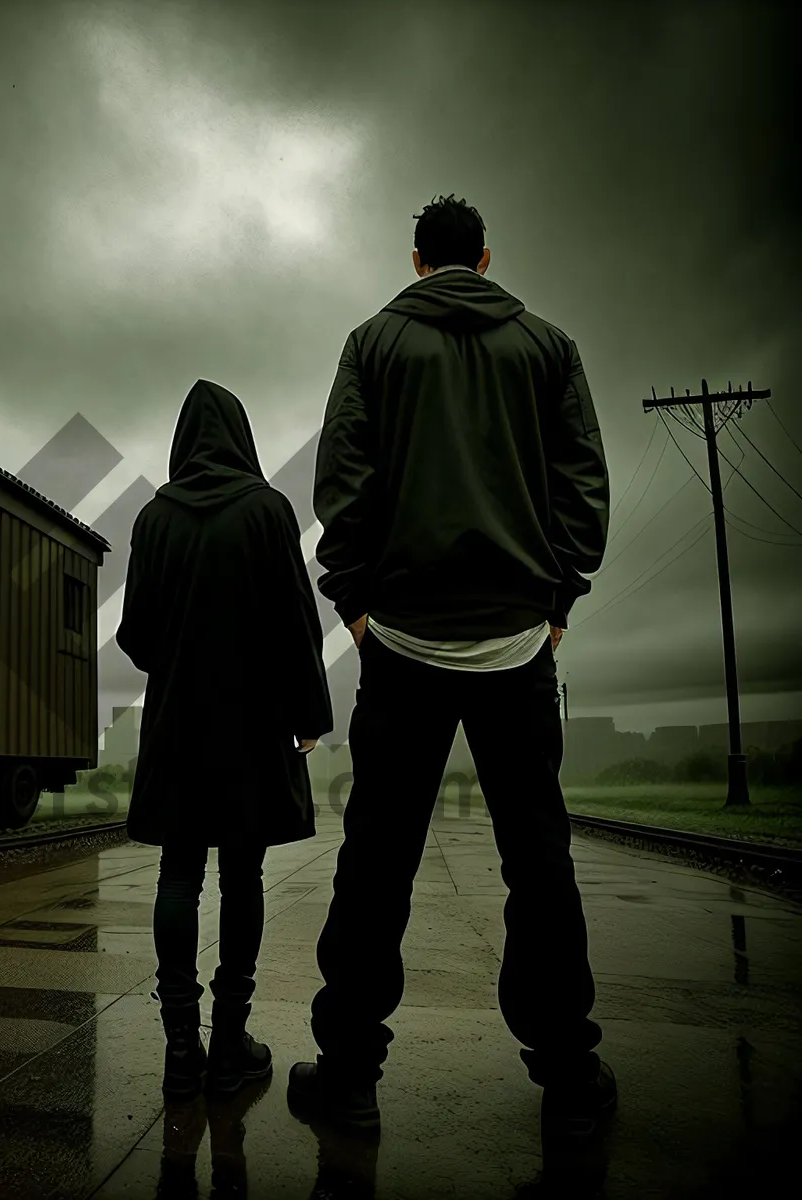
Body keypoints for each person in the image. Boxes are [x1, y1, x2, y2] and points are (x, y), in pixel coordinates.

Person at [288, 195, 615, 1138]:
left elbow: (342, 481)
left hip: (402, 642)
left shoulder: (371, 343)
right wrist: (558, 603)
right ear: (484, 254)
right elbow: (581, 481)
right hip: (517, 643)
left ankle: (348, 1073)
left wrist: (352, 604)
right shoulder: (549, 346)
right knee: (538, 858)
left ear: (419, 260)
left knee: (377, 859)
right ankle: (569, 1074)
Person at [117, 379, 333, 1101]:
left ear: (183, 441)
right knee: (243, 874)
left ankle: (181, 1045)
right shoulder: (270, 511)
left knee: (178, 872)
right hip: (254, 721)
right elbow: (298, 621)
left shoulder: (154, 519)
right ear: (241, 436)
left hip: (179, 721)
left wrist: (180, 654)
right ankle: (231, 1039)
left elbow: (136, 636)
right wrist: (309, 714)